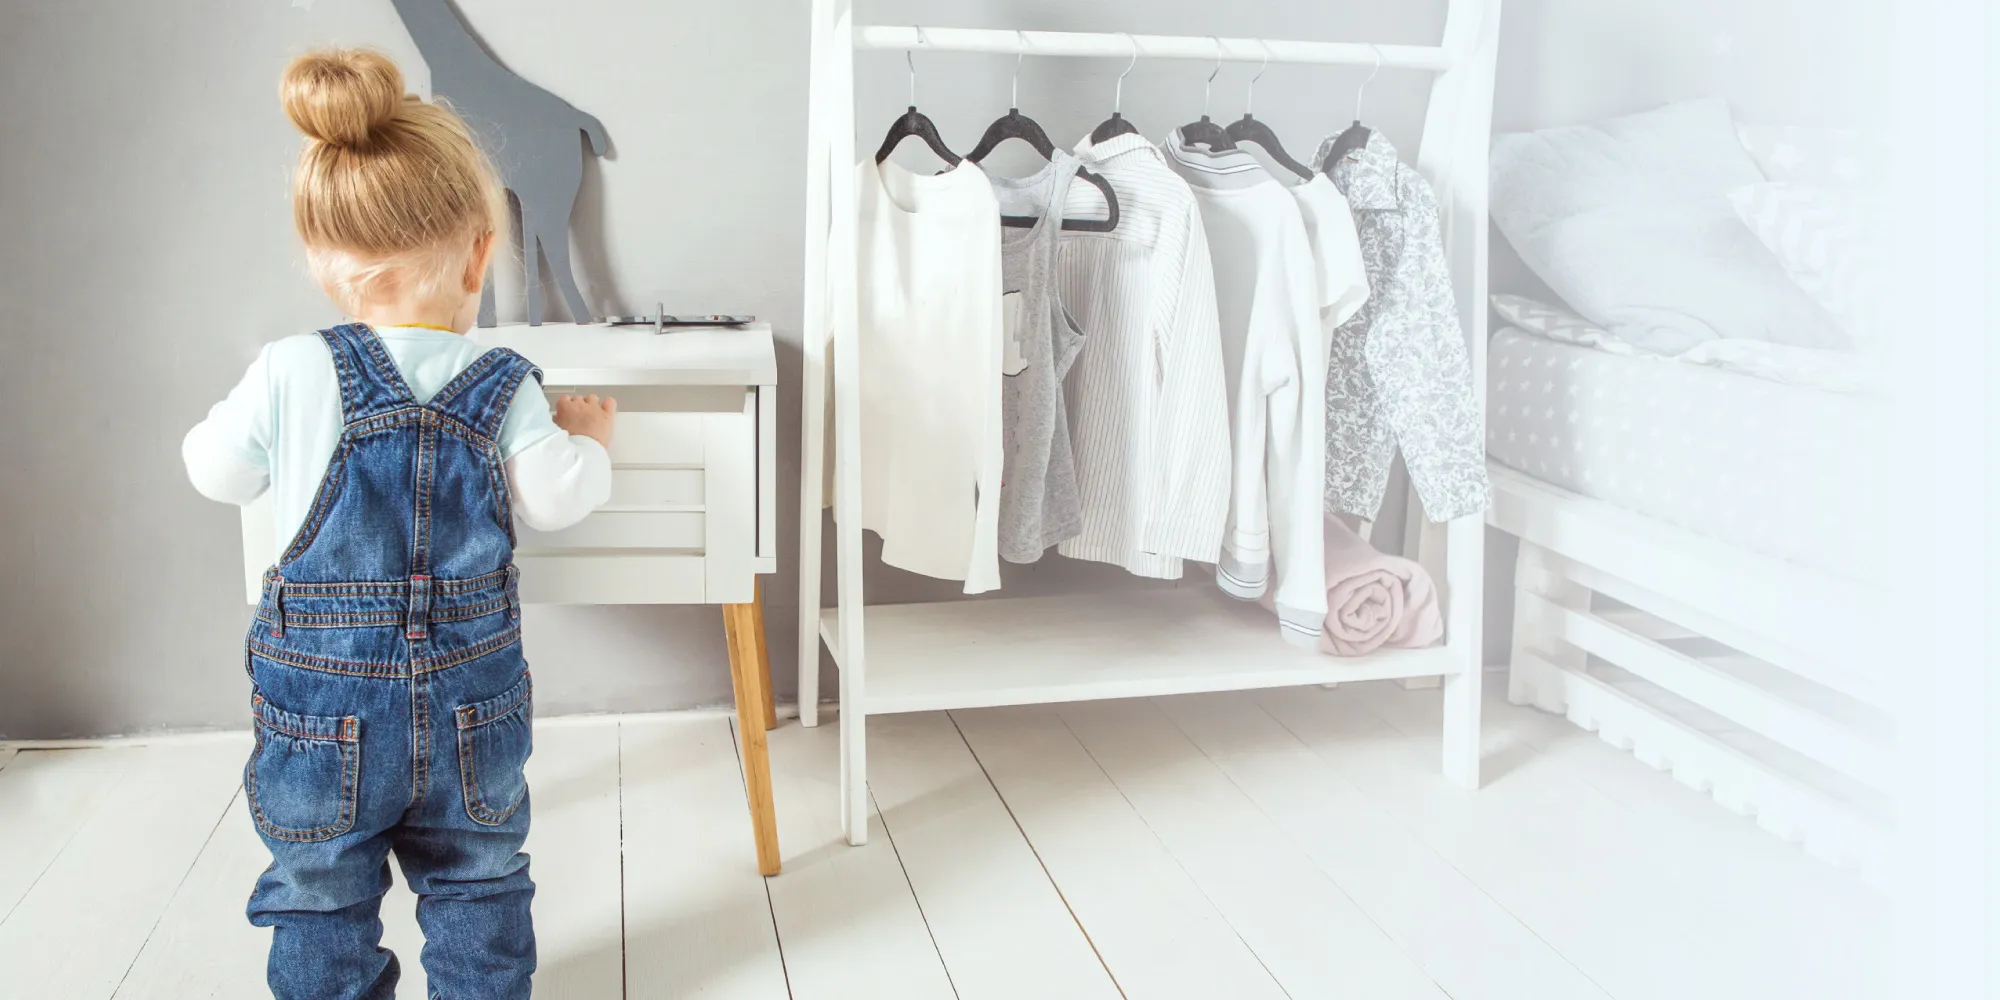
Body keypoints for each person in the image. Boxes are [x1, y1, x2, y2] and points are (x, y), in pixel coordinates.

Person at [181, 47, 614, 1000]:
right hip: (470, 701)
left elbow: (214, 471)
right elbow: (556, 500)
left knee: (318, 892)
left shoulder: (289, 368)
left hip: (320, 702)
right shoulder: (505, 382)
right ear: (480, 251)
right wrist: (590, 443)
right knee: (479, 879)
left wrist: (259, 435)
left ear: (321, 260)